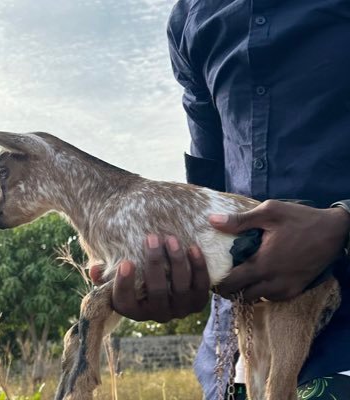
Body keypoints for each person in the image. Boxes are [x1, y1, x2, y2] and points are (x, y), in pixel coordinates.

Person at [91, 1, 350, 398]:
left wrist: (342, 223)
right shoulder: (189, 17)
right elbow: (209, 182)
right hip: (235, 364)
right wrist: (172, 269)